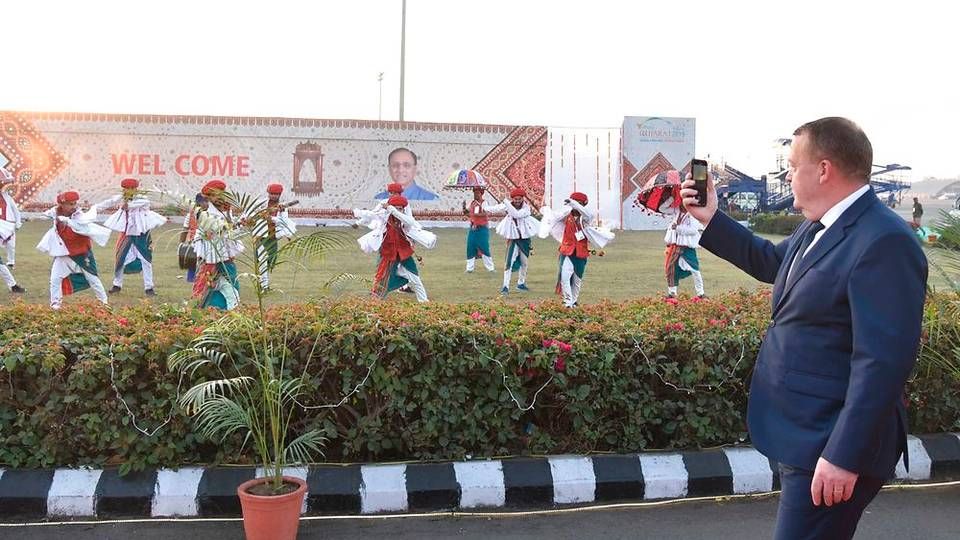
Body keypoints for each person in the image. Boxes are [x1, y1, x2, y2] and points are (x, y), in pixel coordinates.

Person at [679, 117, 927, 540]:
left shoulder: (884, 240)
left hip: (829, 442)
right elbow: (774, 265)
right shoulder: (822, 224)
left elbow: (881, 363)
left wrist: (843, 456)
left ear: (824, 169)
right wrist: (710, 218)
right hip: (804, 433)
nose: (787, 175)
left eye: (793, 166)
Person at [36, 191, 112, 309]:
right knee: (55, 279)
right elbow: (47, 214)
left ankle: (104, 304)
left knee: (93, 279)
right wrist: (41, 216)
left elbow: (79, 225)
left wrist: (67, 221)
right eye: (70, 204)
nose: (74, 206)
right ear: (62, 205)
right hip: (64, 253)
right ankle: (55, 305)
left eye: (75, 203)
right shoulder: (56, 212)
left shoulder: (79, 216)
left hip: (82, 253)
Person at [539, 192, 614, 308]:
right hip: (567, 250)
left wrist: (575, 203)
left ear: (584, 204)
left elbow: (587, 214)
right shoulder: (566, 215)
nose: (575, 206)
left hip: (581, 252)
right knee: (565, 277)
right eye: (574, 203)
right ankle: (567, 302)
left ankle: (573, 301)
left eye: (579, 204)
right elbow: (553, 218)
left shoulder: (586, 218)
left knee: (577, 280)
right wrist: (546, 211)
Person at [356, 194, 436, 302]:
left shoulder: (405, 220)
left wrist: (394, 210)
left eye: (401, 209)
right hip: (389, 254)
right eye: (397, 208)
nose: (399, 210)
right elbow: (372, 215)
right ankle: (376, 302)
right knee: (383, 281)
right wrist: (358, 219)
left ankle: (424, 302)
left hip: (404, 255)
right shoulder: (383, 219)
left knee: (416, 279)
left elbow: (410, 222)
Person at [103, 178, 167, 296]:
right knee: (120, 258)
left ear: (135, 189)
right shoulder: (122, 198)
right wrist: (95, 209)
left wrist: (125, 203)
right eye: (125, 189)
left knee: (146, 260)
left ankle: (149, 287)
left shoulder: (143, 199)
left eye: (130, 189)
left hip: (141, 234)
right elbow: (110, 202)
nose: (128, 191)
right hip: (126, 234)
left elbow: (130, 206)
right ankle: (117, 285)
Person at [192, 180, 244, 310]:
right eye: (215, 195)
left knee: (231, 288)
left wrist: (240, 224)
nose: (219, 197)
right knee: (210, 289)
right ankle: (216, 313)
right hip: (212, 258)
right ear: (209, 197)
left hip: (225, 258)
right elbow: (216, 231)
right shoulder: (206, 213)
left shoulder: (226, 209)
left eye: (221, 194)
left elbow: (231, 232)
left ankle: (223, 313)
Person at [483, 187, 539, 294]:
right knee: (509, 262)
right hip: (513, 238)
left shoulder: (526, 208)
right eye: (515, 199)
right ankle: (505, 286)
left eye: (519, 199)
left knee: (524, 262)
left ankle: (521, 283)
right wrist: (485, 207)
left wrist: (505, 202)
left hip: (524, 239)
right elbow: (496, 208)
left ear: (523, 199)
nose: (517, 201)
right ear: (512, 199)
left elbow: (516, 214)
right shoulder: (508, 204)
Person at [251, 183, 297, 290]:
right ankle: (264, 286)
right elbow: (251, 215)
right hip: (260, 236)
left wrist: (271, 218)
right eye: (271, 193)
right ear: (268, 193)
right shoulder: (260, 203)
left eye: (276, 194)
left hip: (272, 238)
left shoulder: (283, 207)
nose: (273, 196)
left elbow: (284, 222)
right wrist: (260, 215)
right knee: (262, 261)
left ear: (280, 194)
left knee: (270, 261)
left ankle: (263, 284)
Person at [664, 200, 706, 299]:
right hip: (674, 246)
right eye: (681, 201)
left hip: (687, 247)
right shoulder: (676, 211)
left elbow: (693, 230)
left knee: (695, 270)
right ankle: (672, 293)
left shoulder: (693, 214)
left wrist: (677, 228)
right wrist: (670, 198)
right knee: (670, 269)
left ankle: (701, 293)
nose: (682, 204)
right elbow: (663, 208)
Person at [373, 148, 439, 201]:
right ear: (389, 169)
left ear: (415, 169)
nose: (400, 170)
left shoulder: (432, 199)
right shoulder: (378, 200)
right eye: (395, 165)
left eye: (406, 165)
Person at [462, 186, 495, 273]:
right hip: (473, 228)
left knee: (484, 247)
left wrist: (476, 214)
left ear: (481, 194)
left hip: (482, 228)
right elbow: (469, 215)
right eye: (474, 193)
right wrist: (464, 209)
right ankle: (469, 269)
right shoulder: (472, 203)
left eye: (477, 193)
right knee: (470, 247)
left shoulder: (484, 203)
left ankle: (490, 268)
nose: (475, 194)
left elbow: (486, 213)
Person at [179, 193, 208, 283]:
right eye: (205, 202)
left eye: (207, 201)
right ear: (199, 203)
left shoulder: (210, 214)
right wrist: (181, 243)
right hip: (194, 241)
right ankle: (191, 278)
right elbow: (185, 229)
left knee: (205, 261)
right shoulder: (190, 215)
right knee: (193, 259)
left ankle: (204, 278)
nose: (207, 204)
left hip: (208, 241)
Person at [0, 168, 21, 270]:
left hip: (8, 224)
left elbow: (15, 210)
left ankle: (11, 262)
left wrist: (18, 222)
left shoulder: (7, 196)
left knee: (11, 244)